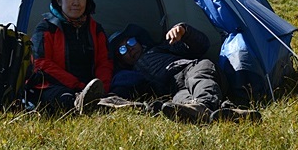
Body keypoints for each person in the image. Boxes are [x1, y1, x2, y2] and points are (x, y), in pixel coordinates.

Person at [106, 22, 261, 123]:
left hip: (192, 69)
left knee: (199, 75)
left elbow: (202, 46)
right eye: (122, 49)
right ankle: (230, 114)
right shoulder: (131, 75)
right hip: (175, 90)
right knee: (180, 104)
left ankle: (204, 106)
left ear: (139, 41)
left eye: (131, 42)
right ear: (121, 60)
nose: (130, 48)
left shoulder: (161, 48)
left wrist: (184, 31)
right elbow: (122, 89)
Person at [27, 0, 113, 114]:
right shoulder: (46, 28)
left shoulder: (95, 29)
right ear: (59, 0)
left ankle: (99, 102)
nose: (76, 3)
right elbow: (41, 63)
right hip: (55, 86)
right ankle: (92, 104)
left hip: (90, 86)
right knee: (65, 101)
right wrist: (78, 86)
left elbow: (105, 61)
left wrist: (101, 89)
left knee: (124, 85)